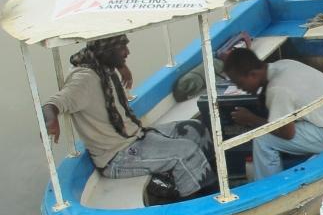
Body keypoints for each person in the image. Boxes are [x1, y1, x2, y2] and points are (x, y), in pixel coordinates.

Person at [43, 35, 216, 200]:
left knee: (196, 130)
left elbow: (105, 56)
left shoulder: (100, 63)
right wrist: (52, 120)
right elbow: (51, 105)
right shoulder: (83, 80)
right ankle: (195, 202)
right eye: (121, 48)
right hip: (117, 155)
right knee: (186, 152)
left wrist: (120, 65)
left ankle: (199, 179)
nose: (127, 52)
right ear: (107, 51)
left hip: (136, 136)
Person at [222, 48, 323, 180]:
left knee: (262, 139)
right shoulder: (285, 64)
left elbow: (287, 134)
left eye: (240, 83)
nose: (239, 88)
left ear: (253, 75)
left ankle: (269, 187)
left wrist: (251, 119)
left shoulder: (277, 89)